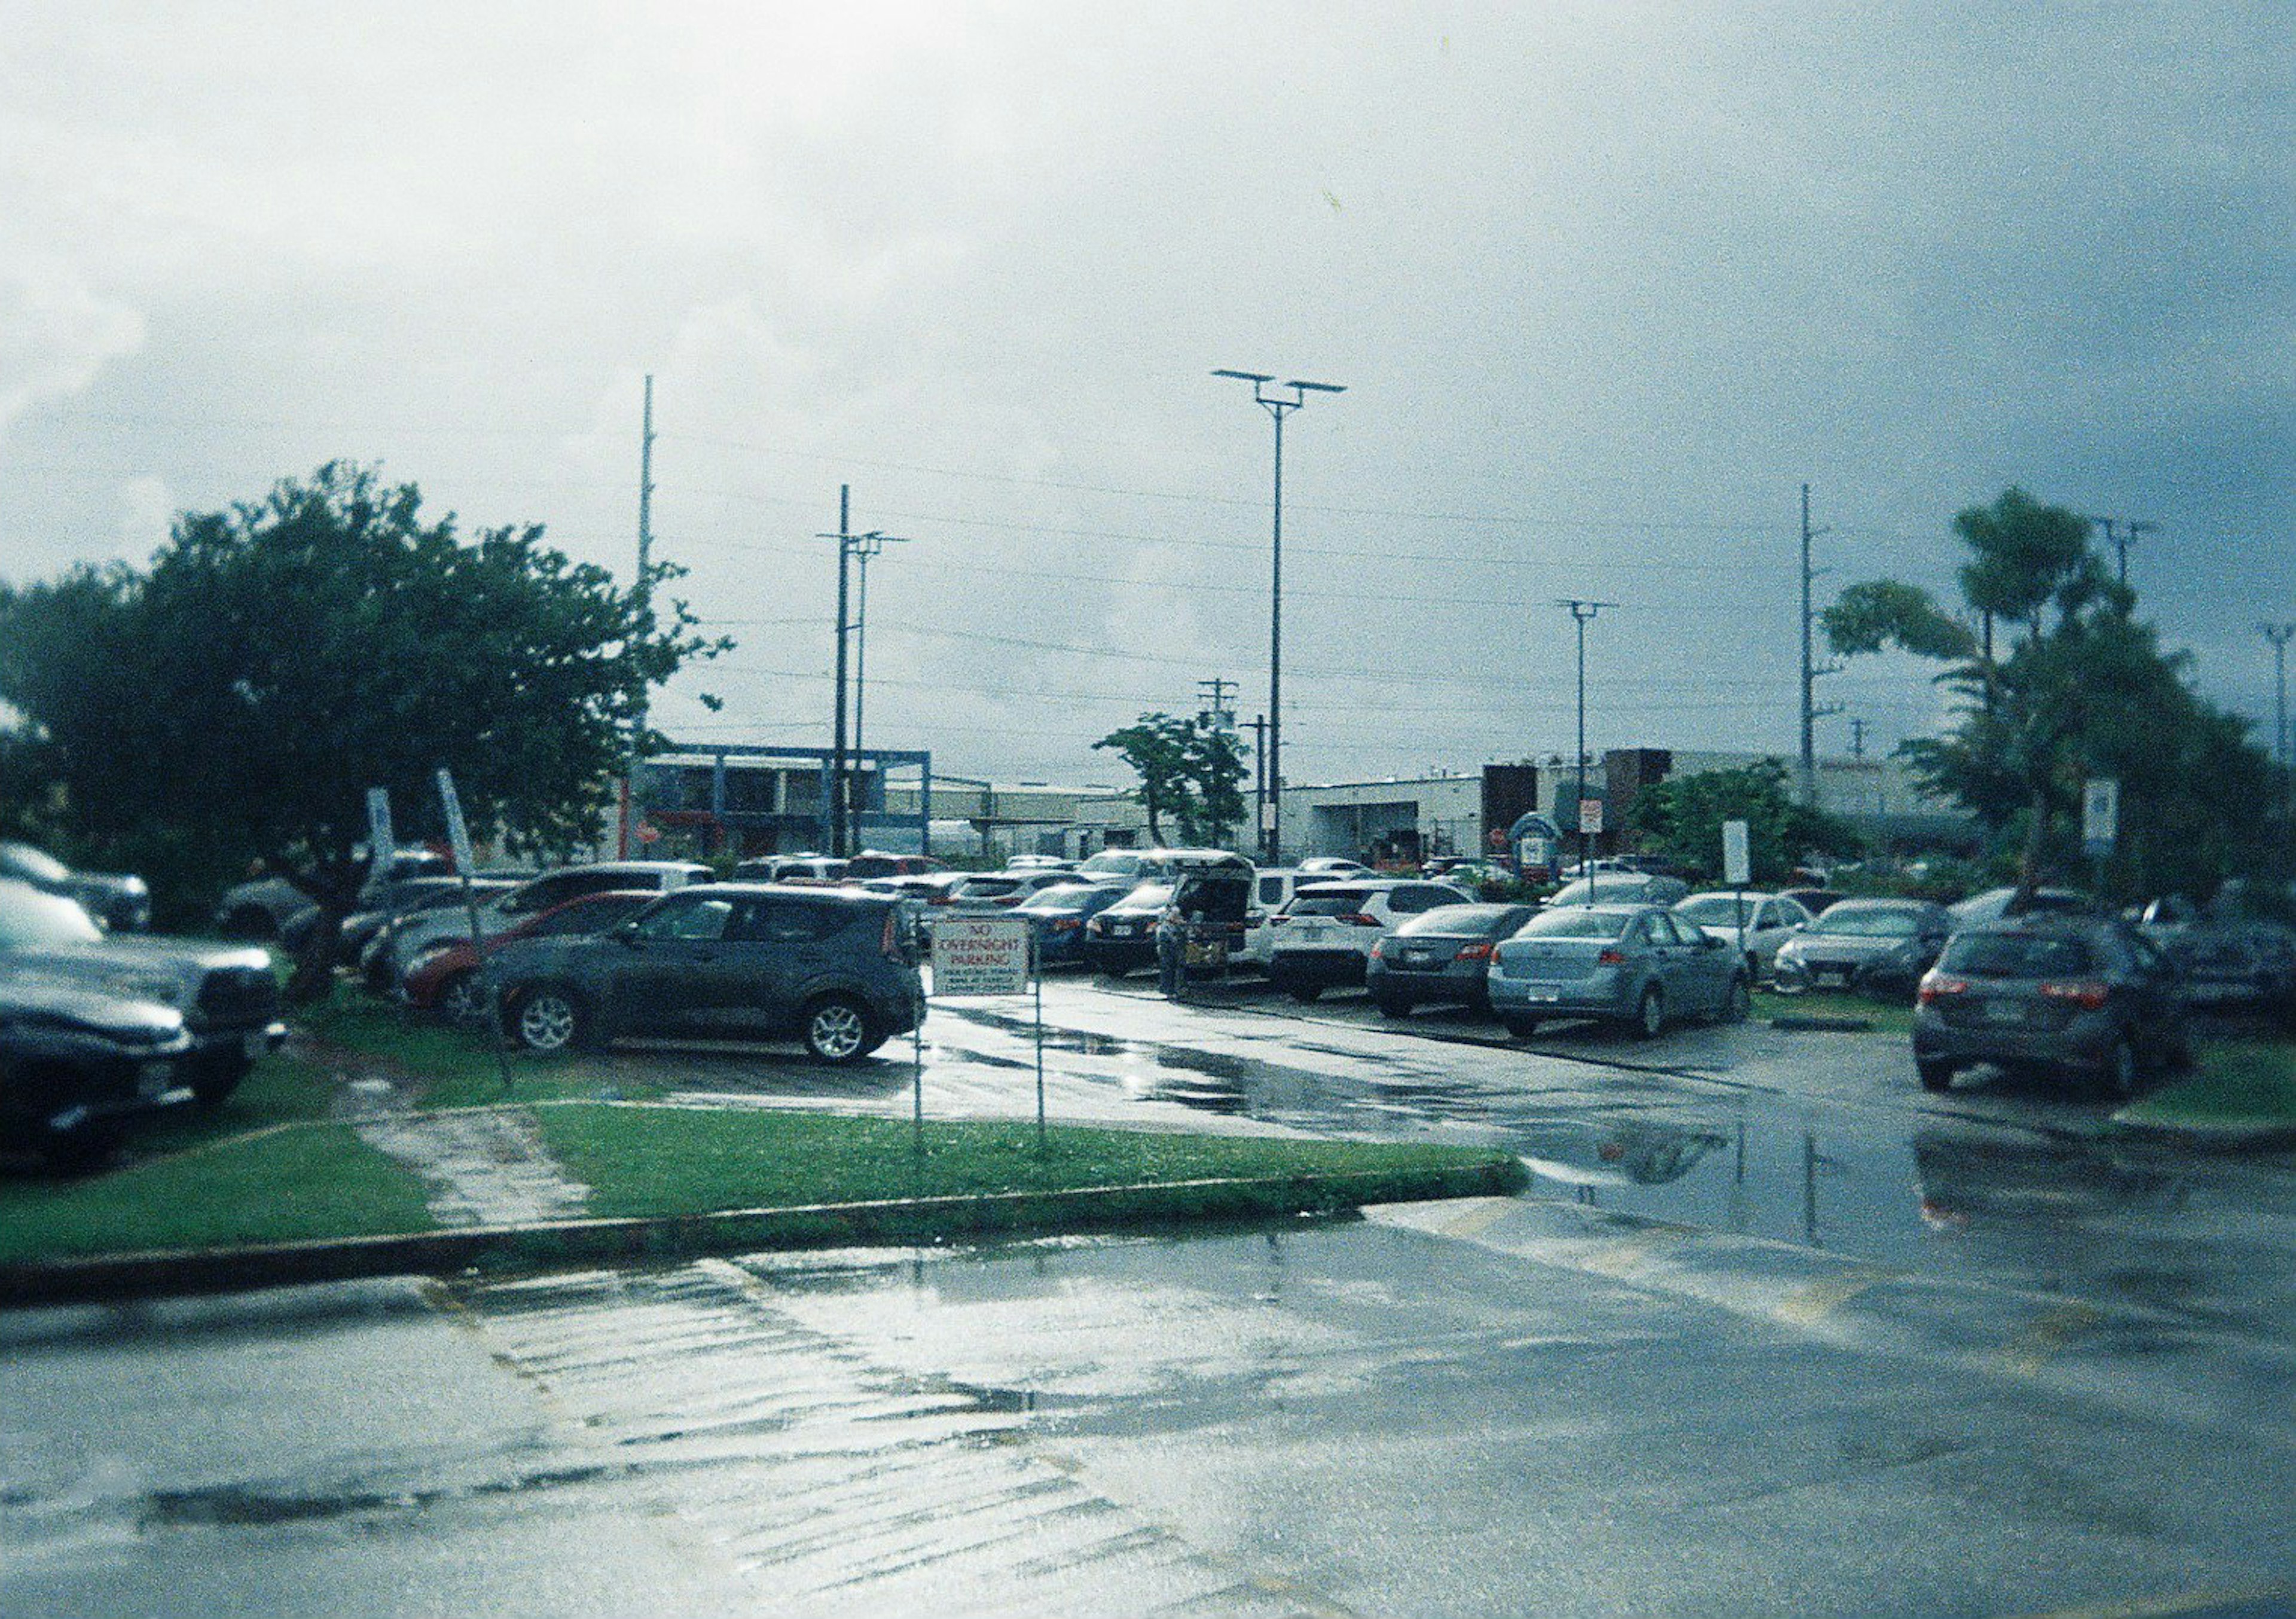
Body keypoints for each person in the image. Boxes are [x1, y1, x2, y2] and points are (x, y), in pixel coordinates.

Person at [1155, 899, 1188, 999]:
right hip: (1169, 944)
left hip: (1173, 943)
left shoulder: (1169, 919)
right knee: (1169, 967)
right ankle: (1170, 990)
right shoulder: (1166, 921)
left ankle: (1174, 990)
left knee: (1174, 967)